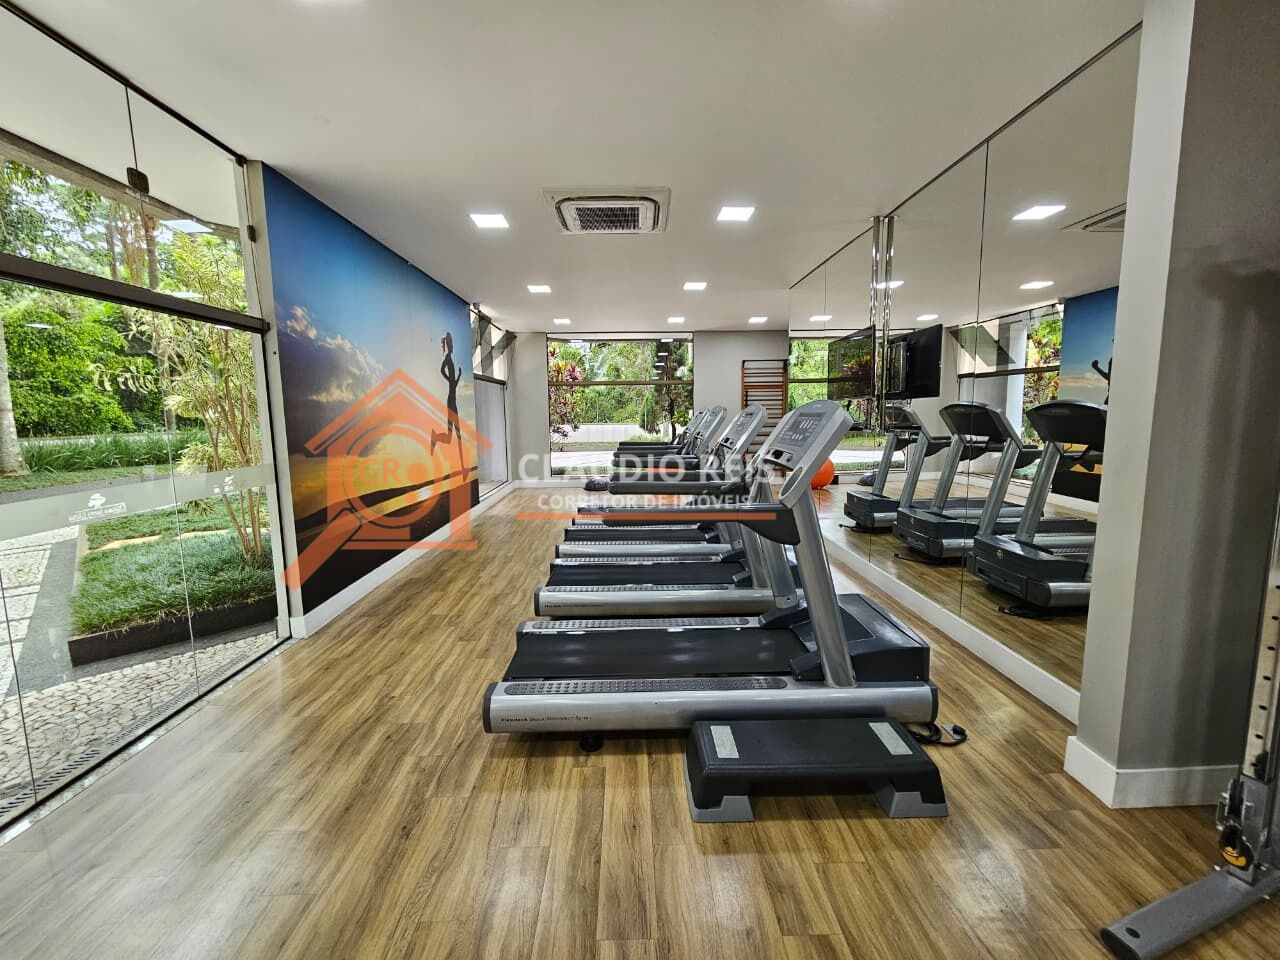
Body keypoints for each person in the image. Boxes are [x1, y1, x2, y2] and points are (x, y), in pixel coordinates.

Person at [431, 331, 463, 451]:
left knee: (455, 436)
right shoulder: (448, 357)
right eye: (450, 343)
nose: (452, 345)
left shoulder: (450, 358)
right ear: (448, 344)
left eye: (452, 342)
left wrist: (458, 376)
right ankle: (435, 437)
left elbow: (454, 384)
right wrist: (449, 379)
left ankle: (435, 437)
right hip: (451, 401)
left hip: (453, 401)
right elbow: (441, 370)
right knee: (455, 436)